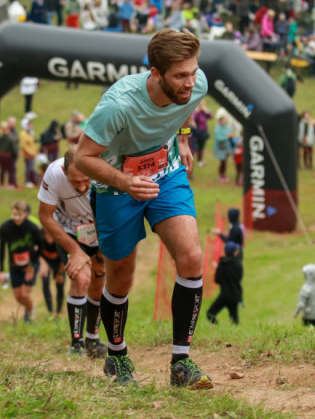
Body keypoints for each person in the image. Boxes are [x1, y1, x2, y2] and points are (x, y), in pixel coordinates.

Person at [75, 28, 213, 388]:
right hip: (116, 187)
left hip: (166, 175)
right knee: (121, 274)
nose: (189, 82)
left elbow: (187, 106)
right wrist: (124, 182)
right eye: (180, 75)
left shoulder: (197, 86)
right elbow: (82, 158)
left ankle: (181, 364)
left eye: (193, 71)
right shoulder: (119, 105)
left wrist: (182, 139)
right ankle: (117, 357)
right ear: (155, 73)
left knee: (191, 256)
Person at [38, 145, 107, 358]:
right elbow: (45, 216)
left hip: (101, 230)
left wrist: (104, 249)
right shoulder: (53, 172)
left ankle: (92, 339)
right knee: (81, 277)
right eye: (75, 181)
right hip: (69, 232)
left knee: (98, 280)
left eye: (87, 180)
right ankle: (76, 343)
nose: (82, 187)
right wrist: (75, 251)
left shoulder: (105, 170)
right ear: (65, 171)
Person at [0, 200, 43, 323]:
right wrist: (1, 270)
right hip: (14, 266)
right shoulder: (5, 227)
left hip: (30, 265)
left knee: (24, 294)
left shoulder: (33, 228)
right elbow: (2, 249)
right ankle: (29, 308)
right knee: (18, 297)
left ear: (26, 214)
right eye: (14, 214)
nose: (16, 218)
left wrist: (33, 266)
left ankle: (30, 314)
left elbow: (41, 246)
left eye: (19, 215)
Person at [205, 241, 243, 325]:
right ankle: (234, 334)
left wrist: (218, 268)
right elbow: (239, 278)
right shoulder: (238, 264)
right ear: (234, 252)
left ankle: (218, 327)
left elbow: (217, 280)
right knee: (234, 319)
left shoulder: (222, 264)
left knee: (210, 313)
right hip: (235, 295)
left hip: (224, 295)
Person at [0, 118, 19, 189]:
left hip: (0, 156)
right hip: (8, 156)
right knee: (11, 170)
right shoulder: (10, 138)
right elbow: (13, 148)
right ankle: (10, 184)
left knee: (2, 170)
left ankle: (2, 184)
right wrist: (15, 155)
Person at [213, 111, 233, 182]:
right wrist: (227, 137)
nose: (224, 121)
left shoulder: (227, 127)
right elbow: (219, 138)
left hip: (226, 148)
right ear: (220, 121)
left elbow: (231, 135)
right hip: (220, 148)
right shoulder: (217, 128)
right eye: (223, 120)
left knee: (225, 162)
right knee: (222, 162)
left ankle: (224, 175)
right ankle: (220, 175)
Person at [191, 100, 211, 167]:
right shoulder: (197, 112)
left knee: (201, 147)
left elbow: (210, 116)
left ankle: (200, 160)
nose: (202, 106)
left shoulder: (204, 112)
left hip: (204, 132)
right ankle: (193, 160)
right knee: (194, 147)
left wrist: (206, 110)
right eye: (201, 104)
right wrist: (197, 111)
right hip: (197, 132)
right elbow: (193, 119)